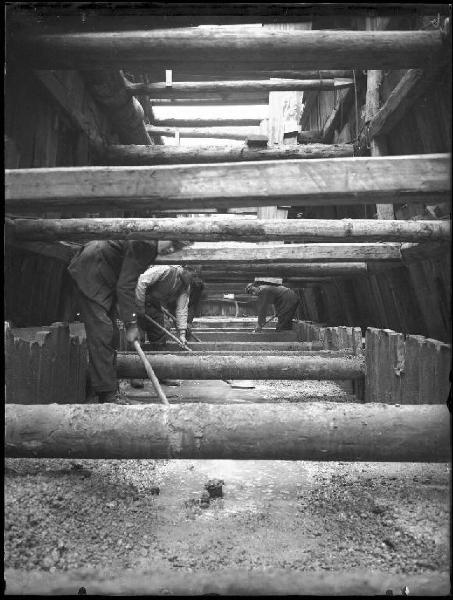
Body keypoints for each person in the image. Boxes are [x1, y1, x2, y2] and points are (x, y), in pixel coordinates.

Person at [68, 240, 159, 403]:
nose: (173, 249)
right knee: (102, 332)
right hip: (92, 270)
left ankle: (109, 388)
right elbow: (125, 286)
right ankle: (107, 394)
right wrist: (131, 324)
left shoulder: (148, 245)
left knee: (112, 334)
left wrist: (131, 318)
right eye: (174, 244)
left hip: (104, 275)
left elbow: (125, 280)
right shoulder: (146, 244)